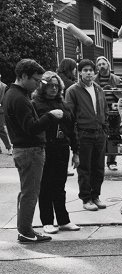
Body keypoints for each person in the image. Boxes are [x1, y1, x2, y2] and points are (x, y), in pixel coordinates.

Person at [5, 59, 63, 242]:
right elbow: (31, 127)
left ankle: (24, 229)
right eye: (36, 80)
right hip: (30, 150)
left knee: (26, 192)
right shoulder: (20, 98)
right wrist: (50, 116)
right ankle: (26, 232)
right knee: (30, 193)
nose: (38, 84)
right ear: (23, 76)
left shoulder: (11, 93)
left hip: (24, 150)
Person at [32, 71, 80, 234]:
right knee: (45, 185)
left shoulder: (63, 103)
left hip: (62, 148)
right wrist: (50, 116)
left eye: (56, 85)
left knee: (60, 186)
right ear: (42, 86)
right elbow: (34, 126)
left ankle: (63, 220)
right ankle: (47, 221)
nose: (53, 88)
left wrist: (76, 151)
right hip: (45, 148)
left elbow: (71, 130)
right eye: (50, 85)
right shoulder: (36, 103)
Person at [65, 58, 109, 211]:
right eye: (85, 70)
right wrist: (74, 137)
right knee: (85, 169)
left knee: (99, 168)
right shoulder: (73, 91)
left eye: (91, 70)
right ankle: (86, 199)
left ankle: (95, 196)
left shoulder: (98, 89)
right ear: (79, 72)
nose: (89, 73)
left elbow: (105, 111)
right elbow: (69, 115)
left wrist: (105, 129)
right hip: (83, 134)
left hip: (99, 134)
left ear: (94, 72)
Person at [94, 56, 122, 171]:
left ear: (108, 65)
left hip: (114, 112)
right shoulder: (94, 80)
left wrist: (113, 90)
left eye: (103, 64)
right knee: (100, 136)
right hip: (99, 113)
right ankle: (99, 161)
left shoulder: (116, 79)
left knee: (114, 136)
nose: (102, 66)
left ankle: (112, 161)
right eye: (99, 64)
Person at [0, 72, 14, 155]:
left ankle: (9, 147)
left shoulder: (4, 87)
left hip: (0, 109)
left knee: (1, 129)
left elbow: (6, 99)